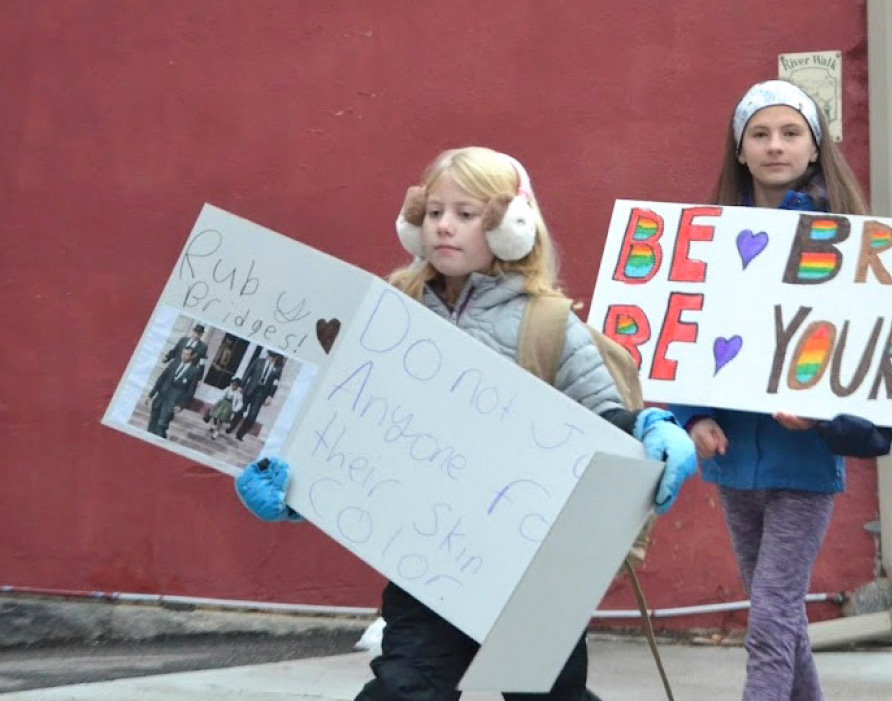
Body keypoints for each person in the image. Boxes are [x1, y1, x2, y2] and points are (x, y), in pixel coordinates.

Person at [233, 146, 698, 701]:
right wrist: (299, 484)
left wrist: (650, 428)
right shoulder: (392, 309)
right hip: (427, 563)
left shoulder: (547, 321)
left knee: (546, 696)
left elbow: (604, 417)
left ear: (510, 227)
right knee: (405, 691)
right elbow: (353, 421)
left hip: (535, 572)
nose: (443, 226)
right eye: (433, 212)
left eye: (466, 213)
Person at [672, 80, 892, 701]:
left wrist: (823, 414)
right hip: (733, 458)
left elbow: (858, 343)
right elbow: (688, 330)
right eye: (761, 134)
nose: (775, 146)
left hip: (803, 460)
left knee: (769, 622)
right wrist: (693, 416)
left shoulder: (844, 239)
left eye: (791, 132)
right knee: (783, 619)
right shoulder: (712, 234)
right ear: (739, 150)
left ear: (816, 147)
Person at [146, 346, 202, 438]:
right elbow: (161, 379)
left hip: (174, 400)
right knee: (153, 422)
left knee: (161, 423)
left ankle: (160, 440)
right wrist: (151, 395)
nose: (184, 356)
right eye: (183, 353)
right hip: (161, 396)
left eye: (187, 355)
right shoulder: (174, 363)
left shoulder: (194, 371)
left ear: (192, 356)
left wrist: (181, 405)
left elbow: (191, 391)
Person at [227, 352, 282, 441]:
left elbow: (275, 384)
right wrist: (241, 386)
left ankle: (240, 434)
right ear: (268, 355)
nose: (271, 358)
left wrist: (270, 396)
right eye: (270, 356)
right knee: (241, 409)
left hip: (261, 393)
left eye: (274, 357)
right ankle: (231, 427)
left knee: (252, 415)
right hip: (249, 389)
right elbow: (248, 373)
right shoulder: (258, 361)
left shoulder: (277, 369)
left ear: (276, 358)